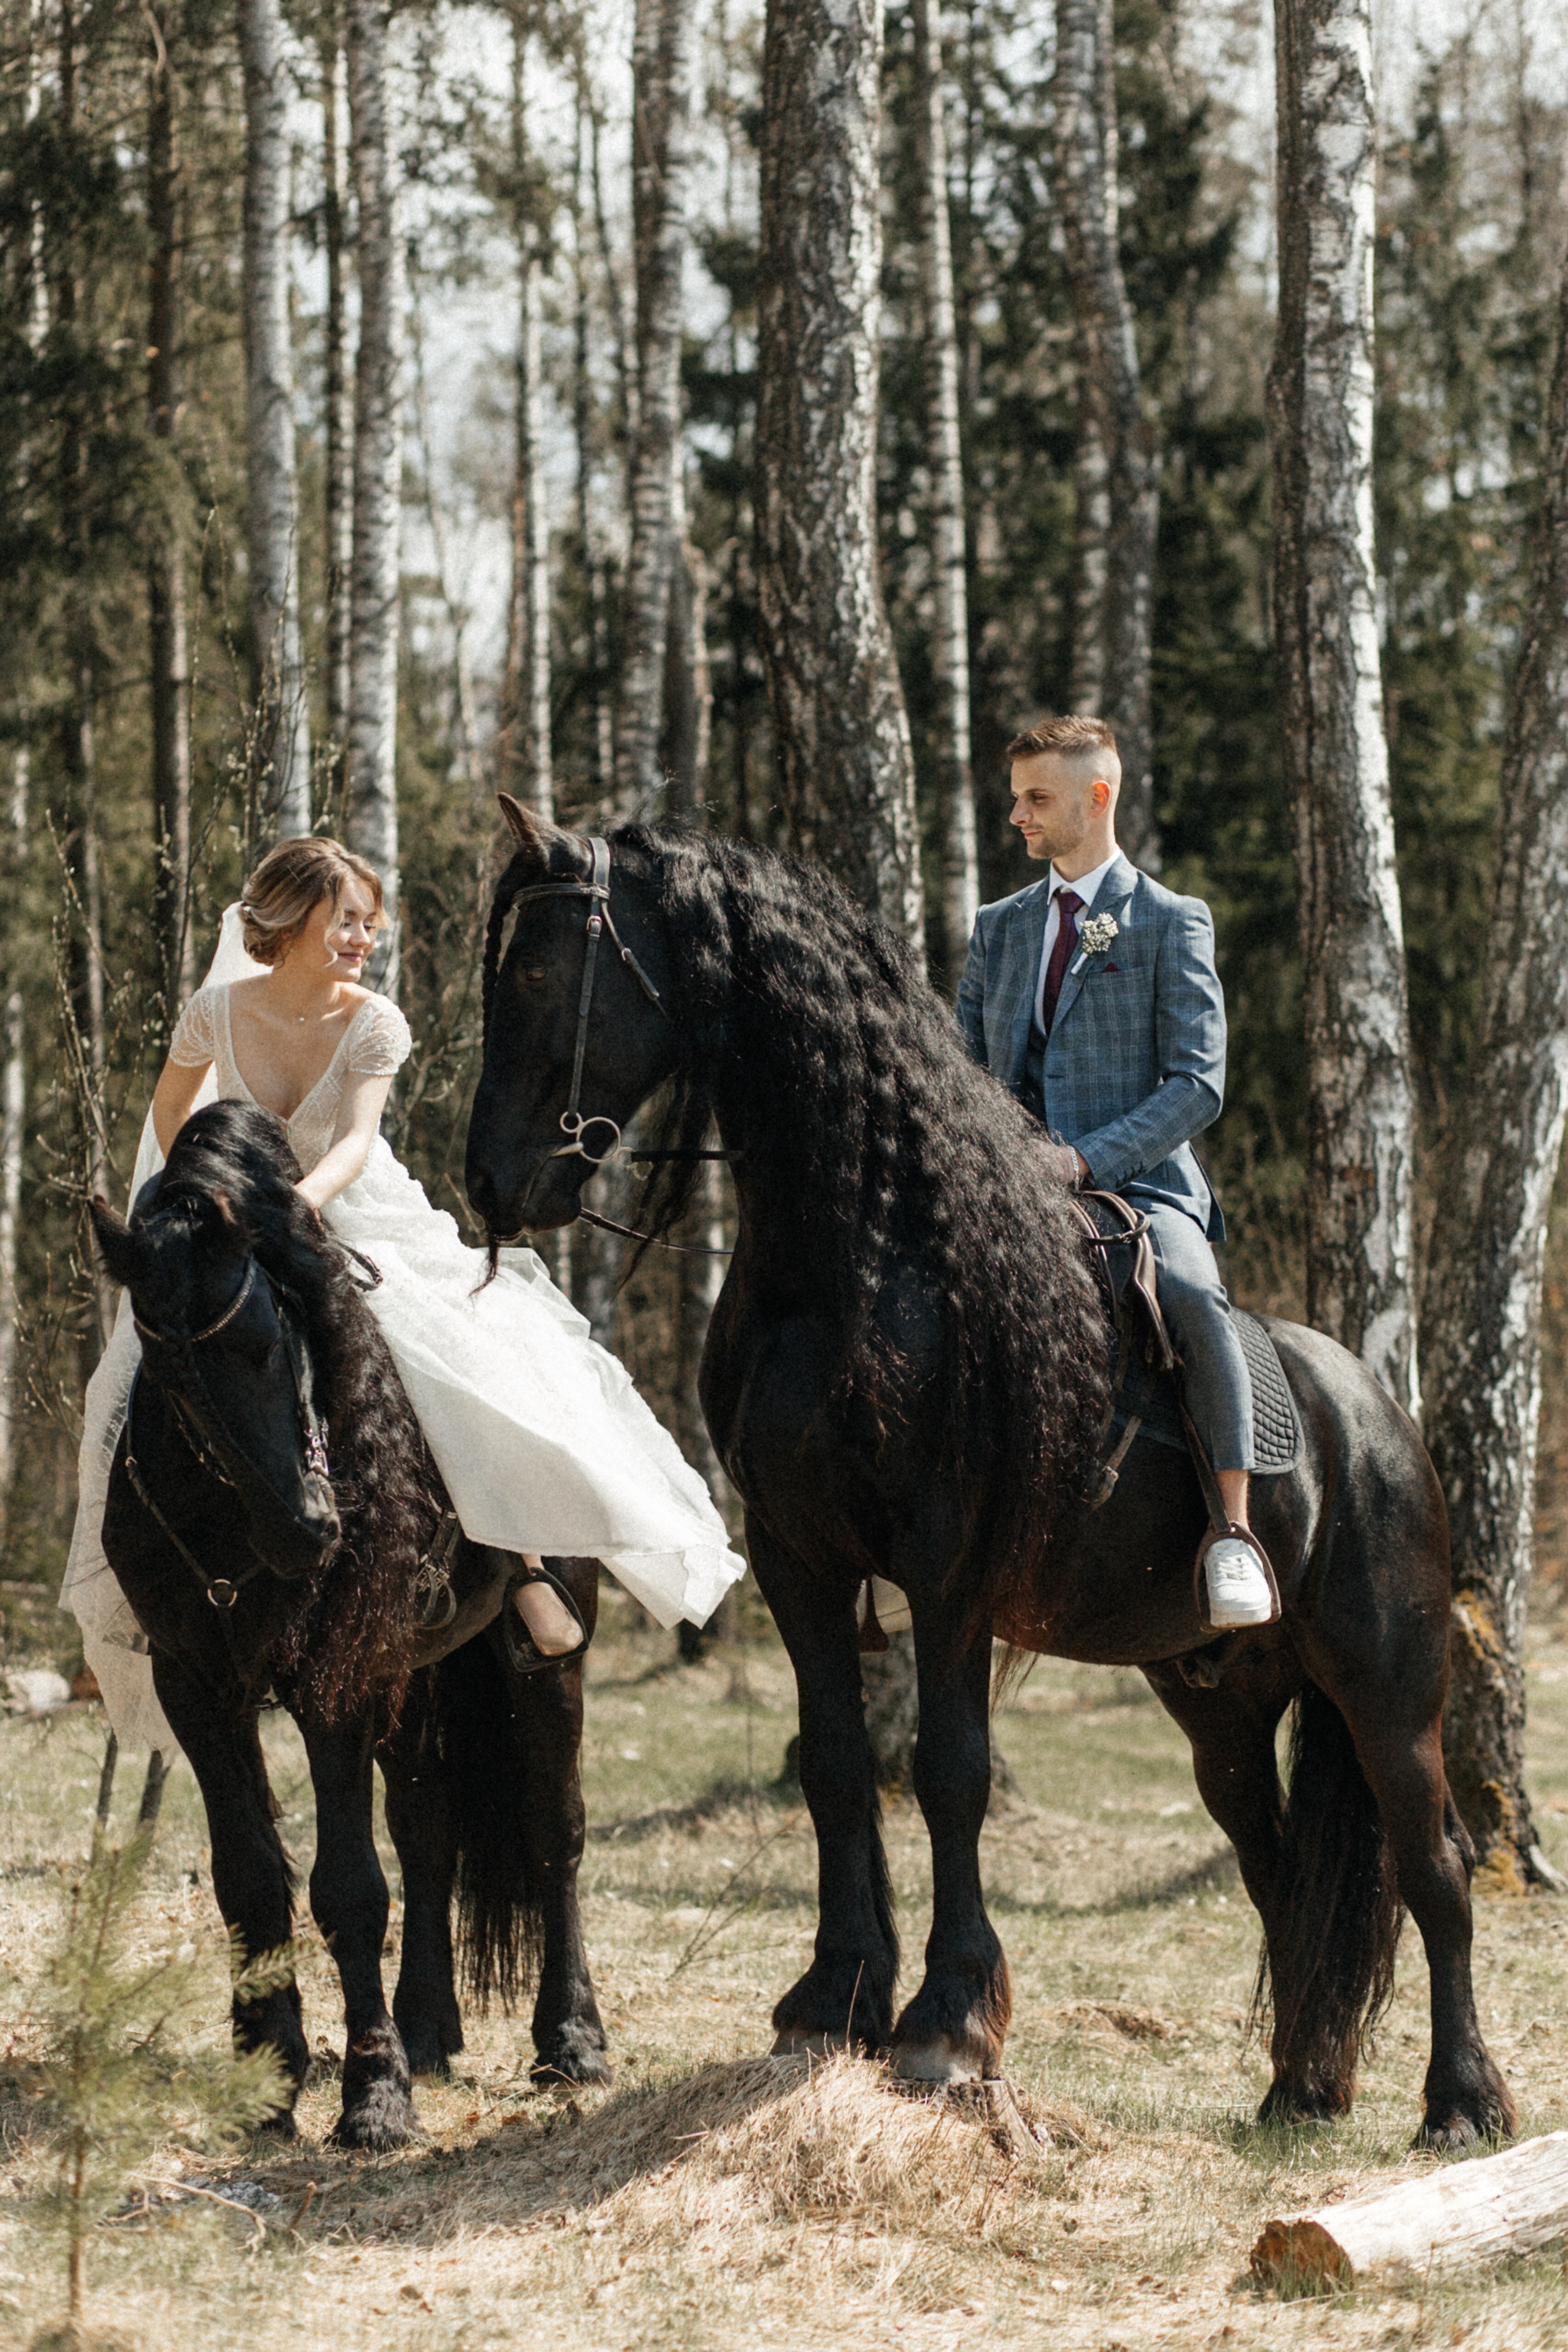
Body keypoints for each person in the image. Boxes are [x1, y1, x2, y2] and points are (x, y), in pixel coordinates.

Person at [62, 837, 746, 1753]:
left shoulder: (374, 1020)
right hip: (233, 1216)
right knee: (144, 1374)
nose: (364, 936)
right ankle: (161, 1582)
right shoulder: (212, 1013)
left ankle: (525, 1559)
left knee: (463, 1352)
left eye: (369, 921)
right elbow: (170, 1115)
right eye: (346, 918)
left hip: (351, 1214)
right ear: (292, 919)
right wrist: (202, 1203)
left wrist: (288, 1208)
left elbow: (352, 1140)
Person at [956, 714, 1276, 1629]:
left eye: (1036, 798)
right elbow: (967, 1069)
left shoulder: (1171, 921)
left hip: (1140, 1189)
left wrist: (1086, 1157)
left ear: (1097, 800)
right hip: (1013, 1189)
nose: (1017, 814)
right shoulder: (1000, 928)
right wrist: (1000, 1156)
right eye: (1016, 796)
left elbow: (1198, 1085)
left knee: (1190, 1293)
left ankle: (1233, 1533)